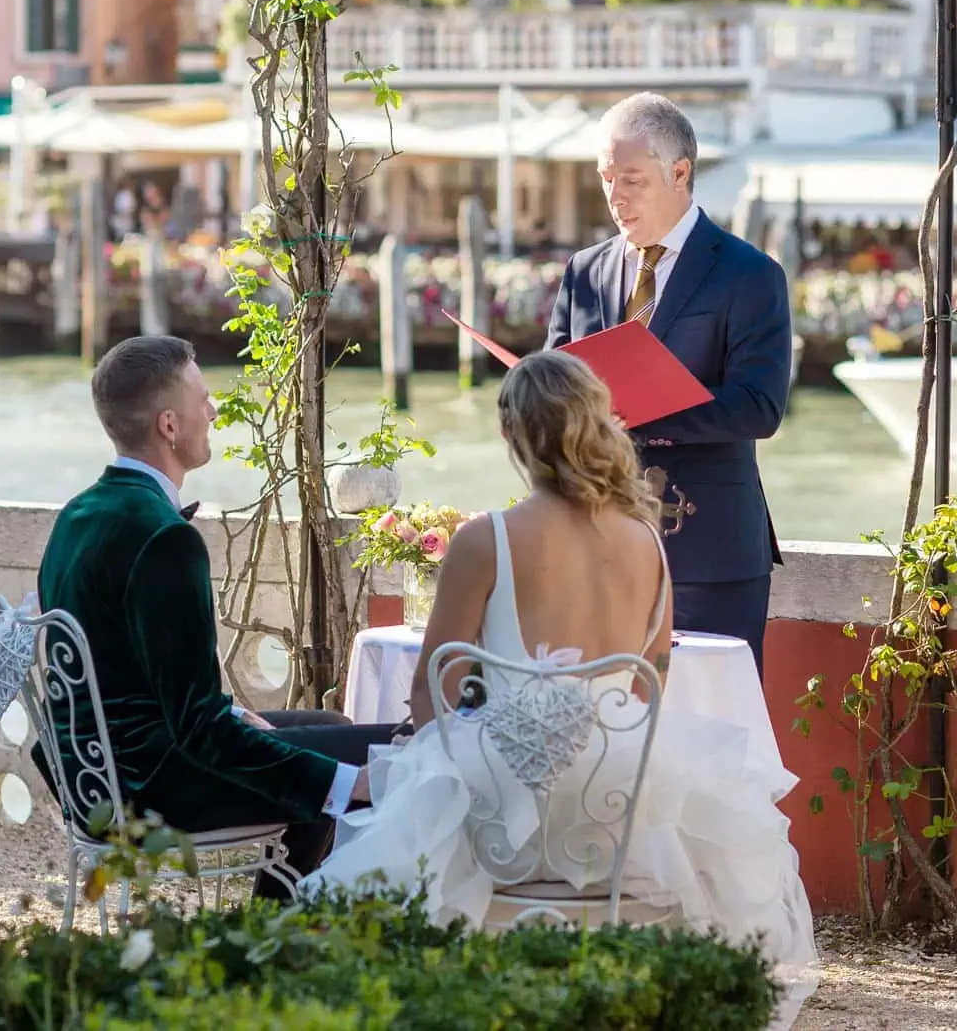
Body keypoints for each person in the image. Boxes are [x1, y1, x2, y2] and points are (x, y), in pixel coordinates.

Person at [302, 351, 816, 1008]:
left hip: (507, 810)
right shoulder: (645, 538)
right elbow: (647, 681)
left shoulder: (486, 538)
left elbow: (434, 687)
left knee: (399, 828)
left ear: (511, 435)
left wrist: (457, 766)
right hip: (620, 810)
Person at [33, 335, 401, 899]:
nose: (213, 411)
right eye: (202, 400)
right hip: (150, 787)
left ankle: (276, 916)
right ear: (169, 426)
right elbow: (199, 730)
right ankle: (278, 936)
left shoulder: (79, 513)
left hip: (97, 775)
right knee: (390, 753)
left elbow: (133, 672)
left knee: (335, 731)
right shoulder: (163, 538)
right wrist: (347, 783)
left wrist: (235, 715)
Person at [545, 93, 791, 672]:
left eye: (631, 178)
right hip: (597, 543)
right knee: (604, 727)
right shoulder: (585, 270)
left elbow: (759, 407)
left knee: (711, 727)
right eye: (607, 177)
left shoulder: (750, 274)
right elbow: (554, 379)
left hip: (710, 547)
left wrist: (639, 409)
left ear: (680, 173)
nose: (615, 195)